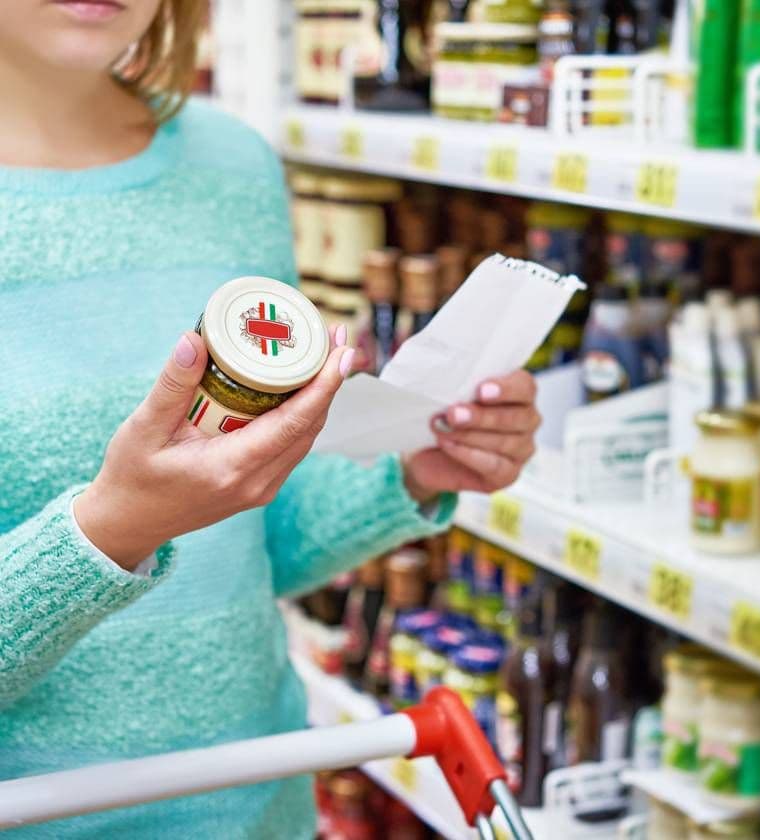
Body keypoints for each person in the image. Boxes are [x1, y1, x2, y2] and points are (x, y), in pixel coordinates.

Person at [0, 1, 541, 837]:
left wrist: (412, 467)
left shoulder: (233, 166)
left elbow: (252, 548)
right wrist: (113, 529)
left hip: (261, 805)